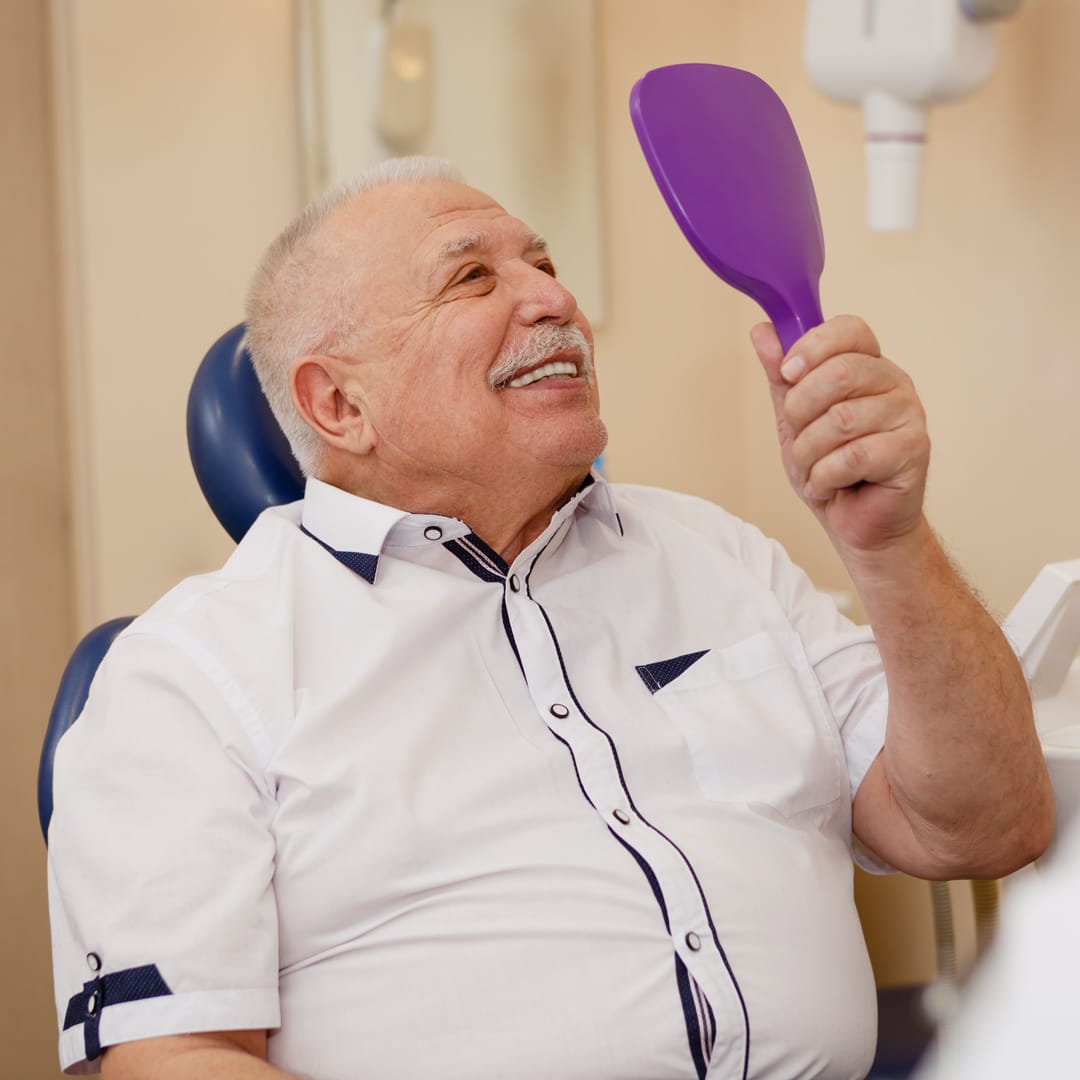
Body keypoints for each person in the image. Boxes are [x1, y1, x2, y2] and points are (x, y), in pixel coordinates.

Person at [47, 155, 1053, 1080]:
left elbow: (984, 824)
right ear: (340, 407)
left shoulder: (720, 556)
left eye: (544, 261)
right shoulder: (184, 677)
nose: (554, 298)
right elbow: (170, 1060)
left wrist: (889, 548)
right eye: (471, 279)